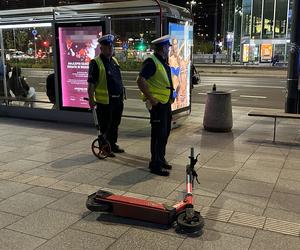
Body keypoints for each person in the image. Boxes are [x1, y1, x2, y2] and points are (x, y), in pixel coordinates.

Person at [137, 35, 174, 176]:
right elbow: (140, 80)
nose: (169, 49)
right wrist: (151, 99)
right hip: (157, 105)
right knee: (158, 135)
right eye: (167, 47)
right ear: (162, 48)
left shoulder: (162, 62)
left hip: (165, 104)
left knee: (164, 134)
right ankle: (155, 165)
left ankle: (161, 158)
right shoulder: (151, 62)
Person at [87, 34, 125, 157]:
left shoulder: (114, 61)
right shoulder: (95, 63)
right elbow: (91, 83)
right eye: (107, 47)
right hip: (105, 102)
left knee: (115, 124)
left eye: (111, 46)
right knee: (105, 126)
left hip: (117, 100)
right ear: (101, 48)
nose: (110, 49)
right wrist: (91, 100)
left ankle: (112, 144)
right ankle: (105, 148)